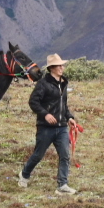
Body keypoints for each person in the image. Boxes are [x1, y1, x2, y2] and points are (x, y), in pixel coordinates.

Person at [19, 53, 76, 194]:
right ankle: (24, 174)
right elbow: (33, 102)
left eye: (62, 65)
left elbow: (64, 105)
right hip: (46, 128)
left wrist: (69, 117)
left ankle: (62, 185)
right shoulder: (43, 84)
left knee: (65, 155)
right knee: (38, 155)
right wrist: (45, 114)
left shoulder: (63, 83)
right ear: (52, 68)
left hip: (62, 127)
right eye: (59, 65)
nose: (62, 67)